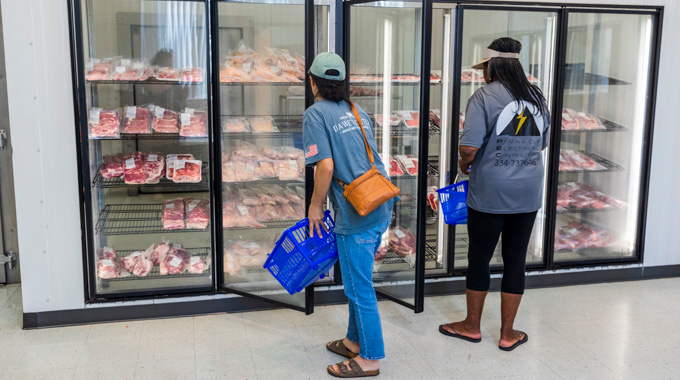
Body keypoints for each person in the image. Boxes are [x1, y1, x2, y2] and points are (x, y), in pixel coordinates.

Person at [438, 37, 550, 352]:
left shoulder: (484, 96)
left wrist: (464, 162)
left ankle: (471, 327)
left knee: (480, 258)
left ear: (491, 67)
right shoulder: (537, 97)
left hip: (490, 191)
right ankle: (508, 333)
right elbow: (539, 143)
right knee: (515, 260)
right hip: (528, 191)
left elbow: (470, 148)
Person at [304, 52, 396, 377]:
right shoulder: (356, 109)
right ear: (342, 83)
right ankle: (354, 342)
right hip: (380, 203)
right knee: (360, 283)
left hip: (355, 214)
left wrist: (316, 205)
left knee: (359, 289)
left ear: (312, 81)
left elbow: (325, 166)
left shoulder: (315, 114)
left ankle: (369, 359)